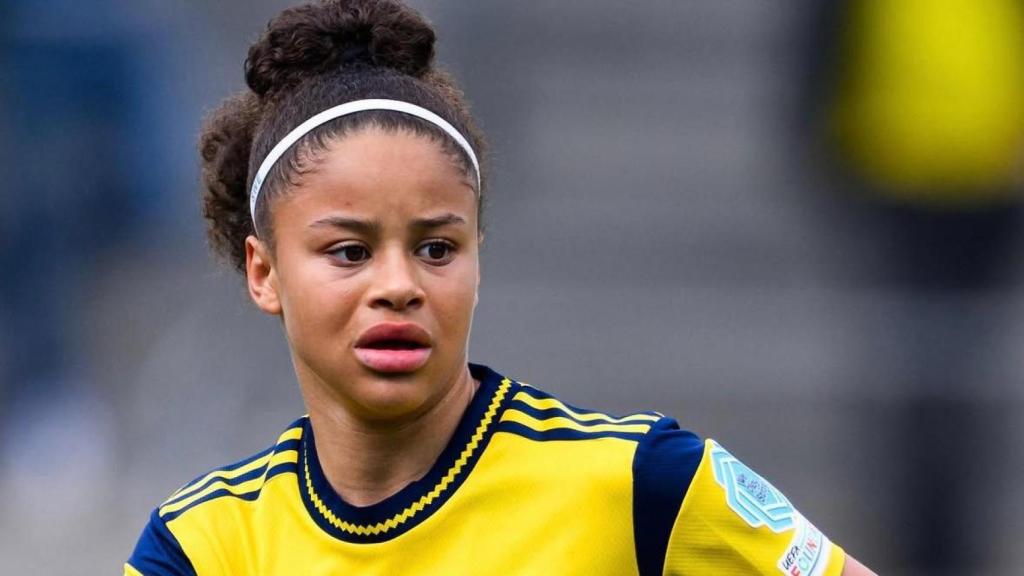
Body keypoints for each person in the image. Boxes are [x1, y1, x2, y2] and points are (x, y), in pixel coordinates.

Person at [125, 1, 875, 574]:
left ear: (478, 253)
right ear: (264, 271)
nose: (399, 286)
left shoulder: (644, 481)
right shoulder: (200, 547)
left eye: (437, 248)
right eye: (350, 251)